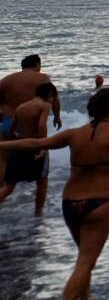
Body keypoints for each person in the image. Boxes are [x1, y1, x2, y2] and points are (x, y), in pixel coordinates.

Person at [0, 87, 109, 299]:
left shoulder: (75, 134)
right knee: (85, 263)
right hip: (98, 205)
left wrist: (2, 144)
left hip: (70, 204)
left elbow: (35, 143)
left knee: (84, 259)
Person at [0, 54, 63, 181]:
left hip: (7, 123)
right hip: (29, 126)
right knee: (39, 159)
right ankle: (29, 188)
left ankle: (5, 189)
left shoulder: (6, 79)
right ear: (37, 65)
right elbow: (54, 99)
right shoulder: (43, 78)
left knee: (3, 158)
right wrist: (57, 116)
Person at [0, 81, 58, 215]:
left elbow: (12, 129)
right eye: (53, 97)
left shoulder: (21, 107)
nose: (52, 101)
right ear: (49, 95)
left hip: (19, 147)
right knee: (42, 182)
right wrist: (43, 147)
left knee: (8, 186)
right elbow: (41, 126)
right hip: (35, 146)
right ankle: (38, 214)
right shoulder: (45, 105)